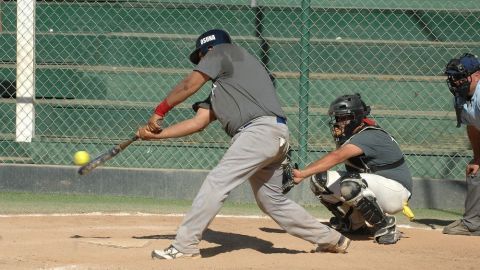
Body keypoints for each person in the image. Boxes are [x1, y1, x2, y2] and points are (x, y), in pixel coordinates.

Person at [136, 29, 350, 259]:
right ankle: (330, 239)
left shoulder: (222, 50)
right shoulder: (226, 87)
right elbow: (198, 123)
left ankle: (184, 245)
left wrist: (159, 111)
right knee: (272, 201)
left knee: (218, 181)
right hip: (273, 135)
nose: (201, 63)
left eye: (200, 58)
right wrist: (155, 135)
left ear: (207, 50)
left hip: (257, 132)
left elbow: (189, 85)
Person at [285, 93, 412, 244]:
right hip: (376, 187)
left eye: (344, 118)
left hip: (396, 191)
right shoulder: (353, 135)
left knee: (350, 184)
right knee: (319, 180)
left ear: (356, 118)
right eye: (337, 118)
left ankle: (386, 226)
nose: (339, 123)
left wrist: (302, 174)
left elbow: (337, 157)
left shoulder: (369, 135)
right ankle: (354, 224)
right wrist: (306, 174)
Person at [442, 52, 480, 236]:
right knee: (476, 170)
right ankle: (473, 223)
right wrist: (478, 157)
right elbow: (473, 126)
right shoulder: (462, 96)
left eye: (460, 76)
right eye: (453, 77)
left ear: (477, 75)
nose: (456, 81)